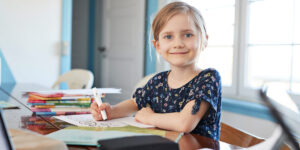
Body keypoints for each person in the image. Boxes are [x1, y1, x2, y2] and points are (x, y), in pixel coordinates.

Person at [90, 1, 222, 140]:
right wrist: (111, 111)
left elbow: (185, 123)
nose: (178, 44)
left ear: (204, 40)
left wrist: (150, 117)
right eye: (168, 37)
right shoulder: (158, 81)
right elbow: (136, 103)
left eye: (188, 35)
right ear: (158, 46)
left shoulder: (208, 78)